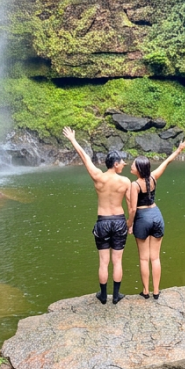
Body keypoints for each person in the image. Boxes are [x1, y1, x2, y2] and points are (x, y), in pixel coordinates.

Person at [62, 126, 133, 304]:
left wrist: (73, 140)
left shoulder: (98, 177)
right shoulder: (125, 181)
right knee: (117, 261)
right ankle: (116, 296)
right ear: (115, 164)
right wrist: (130, 224)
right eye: (122, 162)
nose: (124, 164)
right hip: (119, 221)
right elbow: (132, 207)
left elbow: (84, 157)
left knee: (103, 261)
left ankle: (103, 295)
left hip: (102, 222)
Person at [127, 139, 185, 300]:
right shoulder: (153, 177)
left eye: (133, 165)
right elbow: (166, 162)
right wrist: (179, 149)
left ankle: (145, 291)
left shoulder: (135, 185)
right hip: (156, 216)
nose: (131, 166)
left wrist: (129, 224)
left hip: (142, 218)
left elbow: (132, 209)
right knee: (155, 257)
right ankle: (156, 291)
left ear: (139, 169)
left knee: (143, 258)